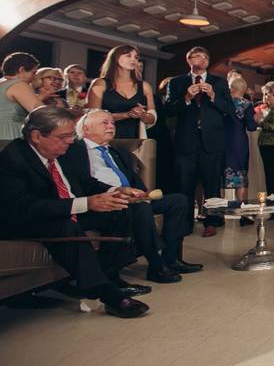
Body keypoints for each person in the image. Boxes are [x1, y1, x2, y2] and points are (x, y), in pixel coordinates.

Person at [0, 106, 149, 318]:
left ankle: (106, 276)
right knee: (65, 226)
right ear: (36, 136)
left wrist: (115, 191)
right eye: (64, 136)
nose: (70, 140)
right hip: (28, 219)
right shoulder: (13, 158)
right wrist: (85, 203)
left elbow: (86, 183)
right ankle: (107, 294)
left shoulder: (68, 150)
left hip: (65, 210)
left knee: (118, 209)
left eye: (72, 135)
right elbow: (22, 207)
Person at [64, 110, 198, 282]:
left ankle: (171, 259)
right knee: (140, 208)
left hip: (132, 198)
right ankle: (156, 266)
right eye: (104, 123)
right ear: (86, 128)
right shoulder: (76, 151)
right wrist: (115, 193)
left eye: (112, 123)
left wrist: (142, 193)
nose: (111, 126)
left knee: (177, 201)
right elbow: (82, 184)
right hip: (105, 201)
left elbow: (132, 178)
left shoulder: (115, 151)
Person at [163, 46, 233, 238]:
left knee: (212, 184)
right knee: (184, 184)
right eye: (197, 56)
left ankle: (212, 221)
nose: (201, 60)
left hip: (212, 141)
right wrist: (186, 98)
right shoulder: (177, 82)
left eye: (205, 57)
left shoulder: (219, 82)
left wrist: (213, 96)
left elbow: (229, 109)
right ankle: (184, 223)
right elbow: (168, 109)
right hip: (186, 141)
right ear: (189, 60)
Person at [87, 45, 156, 139]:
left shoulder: (145, 86)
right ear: (115, 58)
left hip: (134, 139)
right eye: (128, 56)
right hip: (105, 138)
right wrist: (126, 114)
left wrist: (142, 114)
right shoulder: (100, 83)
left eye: (136, 57)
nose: (133, 60)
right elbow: (92, 116)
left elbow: (152, 118)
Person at [224, 76, 257, 208]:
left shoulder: (224, 103)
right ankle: (243, 210)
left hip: (223, 141)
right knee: (241, 176)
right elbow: (251, 127)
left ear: (232, 88)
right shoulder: (247, 104)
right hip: (239, 143)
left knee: (221, 175)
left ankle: (220, 210)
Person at [0, 52, 44, 139]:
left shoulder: (2, 83)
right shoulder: (19, 84)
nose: (34, 76)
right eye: (34, 72)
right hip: (10, 135)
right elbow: (40, 112)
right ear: (22, 70)